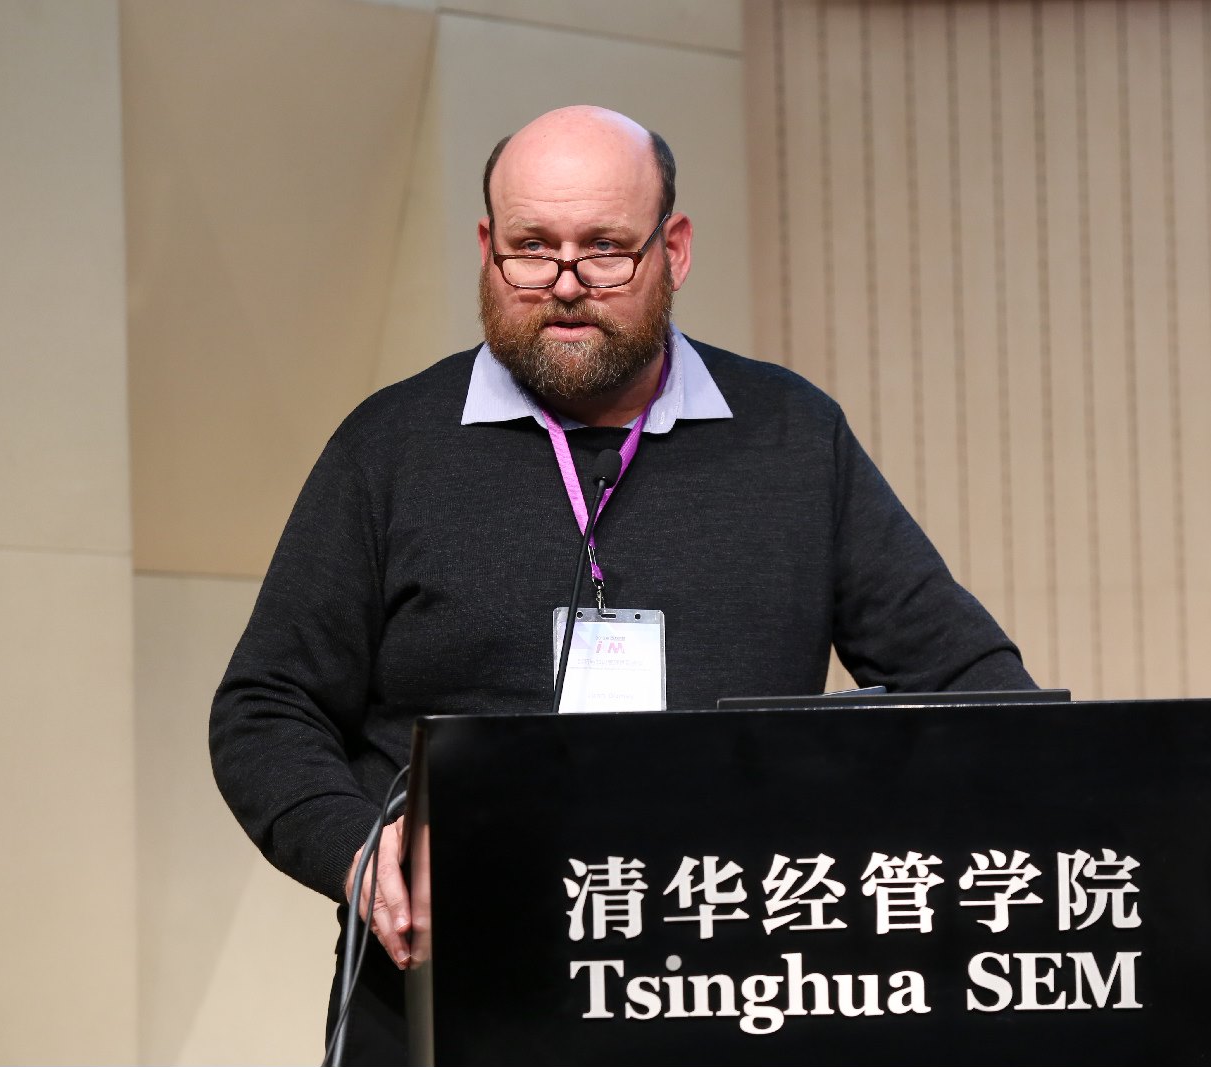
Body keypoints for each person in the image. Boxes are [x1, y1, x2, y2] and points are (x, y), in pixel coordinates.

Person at [210, 105, 1034, 1063]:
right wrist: (358, 850)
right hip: (451, 987)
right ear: (486, 248)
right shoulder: (390, 447)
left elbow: (975, 687)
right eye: (531, 248)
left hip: (733, 987)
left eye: (605, 248)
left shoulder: (792, 437)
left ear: (673, 249)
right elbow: (266, 707)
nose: (566, 285)